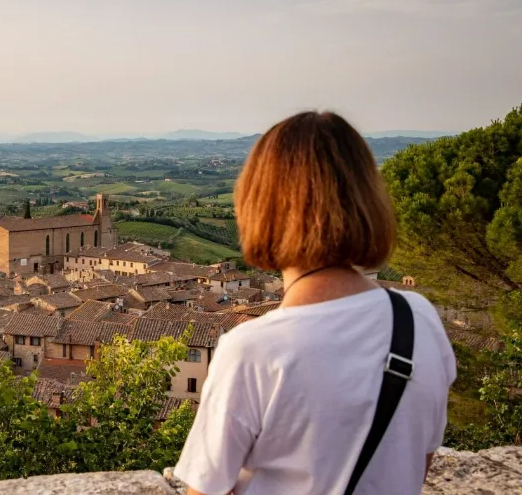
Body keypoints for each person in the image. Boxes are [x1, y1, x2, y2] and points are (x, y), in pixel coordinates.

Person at [174, 111, 456, 495]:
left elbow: (204, 491)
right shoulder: (420, 320)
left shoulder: (253, 349)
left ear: (260, 209)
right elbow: (415, 462)